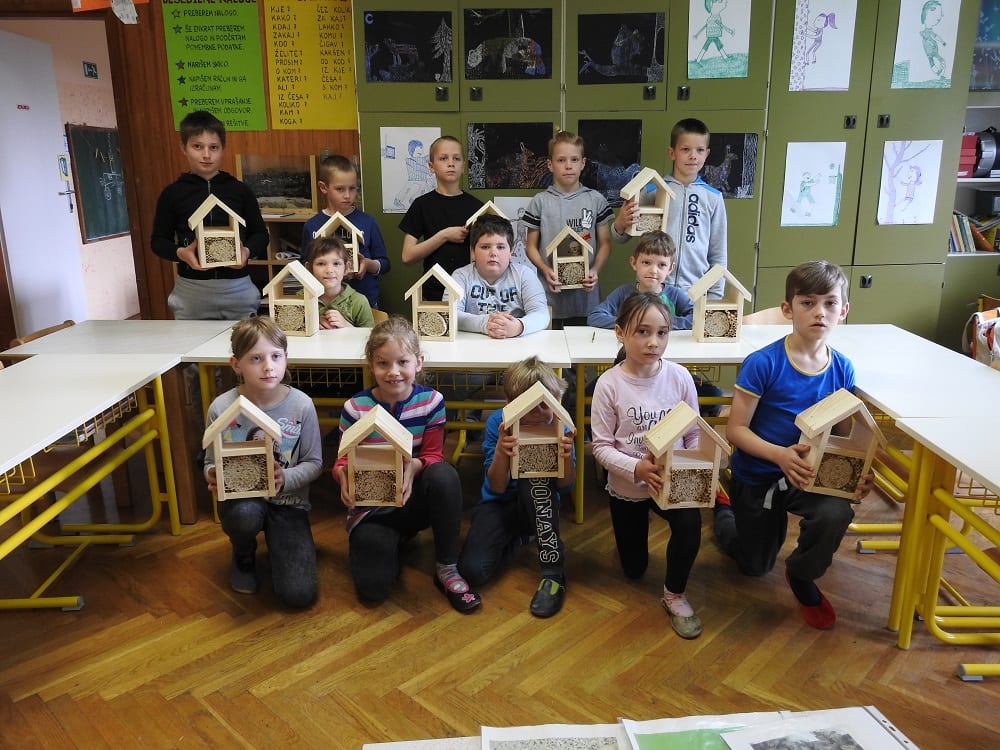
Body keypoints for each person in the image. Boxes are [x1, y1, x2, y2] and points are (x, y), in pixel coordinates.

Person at [713, 260, 874, 630]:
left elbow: (846, 438)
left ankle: (802, 575)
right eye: (808, 302)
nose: (820, 312)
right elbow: (736, 431)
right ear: (788, 309)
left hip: (809, 476)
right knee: (753, 566)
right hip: (759, 475)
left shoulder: (842, 369)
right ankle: (724, 509)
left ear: (844, 311)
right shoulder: (763, 363)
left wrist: (859, 474)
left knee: (836, 512)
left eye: (830, 303)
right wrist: (779, 455)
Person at [332, 317, 481, 612]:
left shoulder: (431, 401)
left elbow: (434, 455)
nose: (394, 372)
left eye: (402, 362)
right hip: (372, 512)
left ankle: (447, 567)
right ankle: (392, 541)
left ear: (419, 362)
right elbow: (343, 460)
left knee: (444, 474)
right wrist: (342, 477)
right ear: (371, 365)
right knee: (373, 590)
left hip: (413, 502)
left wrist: (413, 467)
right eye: (383, 363)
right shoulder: (355, 408)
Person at [590, 293, 705, 639]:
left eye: (662, 333)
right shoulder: (608, 384)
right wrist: (637, 469)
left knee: (690, 523)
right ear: (620, 333)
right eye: (642, 332)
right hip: (628, 486)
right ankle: (632, 547)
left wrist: (695, 472)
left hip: (672, 482)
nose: (653, 342)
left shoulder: (681, 377)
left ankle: (675, 593)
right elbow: (601, 447)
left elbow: (694, 431)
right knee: (634, 569)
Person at [203, 317, 323, 607]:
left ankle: (281, 543)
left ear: (285, 359)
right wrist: (211, 473)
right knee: (243, 515)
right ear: (236, 364)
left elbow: (314, 462)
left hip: (289, 503)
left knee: (298, 595)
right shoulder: (222, 407)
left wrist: (286, 479)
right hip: (243, 501)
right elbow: (209, 460)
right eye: (256, 358)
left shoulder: (301, 404)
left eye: (275, 356)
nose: (268, 366)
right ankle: (243, 552)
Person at [458, 357, 576, 617]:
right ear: (510, 404)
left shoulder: (559, 425)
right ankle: (522, 537)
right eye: (528, 407)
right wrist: (502, 450)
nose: (536, 414)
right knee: (472, 571)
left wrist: (565, 458)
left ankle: (553, 571)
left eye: (545, 406)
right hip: (499, 505)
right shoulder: (499, 424)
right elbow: (497, 487)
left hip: (541, 505)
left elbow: (566, 487)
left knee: (534, 475)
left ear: (556, 401)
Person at [151, 110, 267, 320]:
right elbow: (158, 241)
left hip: (238, 290)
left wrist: (247, 252)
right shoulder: (172, 193)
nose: (206, 155)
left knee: (243, 349)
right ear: (183, 148)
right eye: (197, 146)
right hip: (192, 292)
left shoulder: (240, 190)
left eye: (213, 147)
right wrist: (181, 253)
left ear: (223, 149)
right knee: (192, 351)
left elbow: (260, 234)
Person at [613, 118, 727, 301]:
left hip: (695, 291)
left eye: (699, 150)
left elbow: (718, 253)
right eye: (685, 149)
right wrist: (620, 223)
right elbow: (621, 236)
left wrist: (714, 296)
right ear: (672, 153)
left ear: (707, 154)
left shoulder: (713, 198)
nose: (693, 156)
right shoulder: (652, 190)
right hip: (652, 289)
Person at [523, 130, 614, 328]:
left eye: (574, 159)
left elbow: (606, 242)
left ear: (583, 163)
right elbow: (530, 246)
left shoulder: (595, 200)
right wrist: (546, 270)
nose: (568, 166)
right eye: (561, 160)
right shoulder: (540, 202)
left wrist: (595, 270)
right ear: (550, 164)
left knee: (583, 352)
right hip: (549, 297)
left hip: (586, 298)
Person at [399, 135, 484, 300]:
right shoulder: (422, 205)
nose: (451, 163)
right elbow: (407, 256)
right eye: (443, 158)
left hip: (470, 292)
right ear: (431, 166)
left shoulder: (477, 207)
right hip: (433, 291)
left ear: (463, 166)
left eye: (457, 158)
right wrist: (444, 235)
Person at [301, 154, 390, 310]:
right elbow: (305, 266)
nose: (347, 195)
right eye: (340, 189)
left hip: (364, 301)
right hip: (324, 305)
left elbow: (385, 264)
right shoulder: (312, 226)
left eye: (352, 188)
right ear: (323, 187)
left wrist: (367, 265)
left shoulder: (368, 222)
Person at [452, 214, 550, 337]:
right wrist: (485, 323)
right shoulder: (460, 276)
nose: (493, 253)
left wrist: (519, 326)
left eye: (501, 247)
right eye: (485, 247)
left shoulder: (524, 275)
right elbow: (451, 314)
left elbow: (542, 314)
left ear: (511, 251)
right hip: (474, 348)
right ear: (473, 252)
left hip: (517, 348)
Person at [587, 231, 694, 331]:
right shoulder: (623, 293)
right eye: (646, 262)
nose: (653, 270)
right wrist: (632, 323)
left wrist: (663, 323)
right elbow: (595, 317)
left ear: (670, 268)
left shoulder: (675, 295)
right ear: (634, 263)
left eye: (662, 265)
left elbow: (698, 318)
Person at [303, 235, 375, 329]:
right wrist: (311, 323)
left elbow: (371, 338)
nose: (329, 270)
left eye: (336, 264)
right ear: (309, 268)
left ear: (346, 268)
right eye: (321, 264)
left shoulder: (359, 301)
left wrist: (346, 325)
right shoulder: (300, 299)